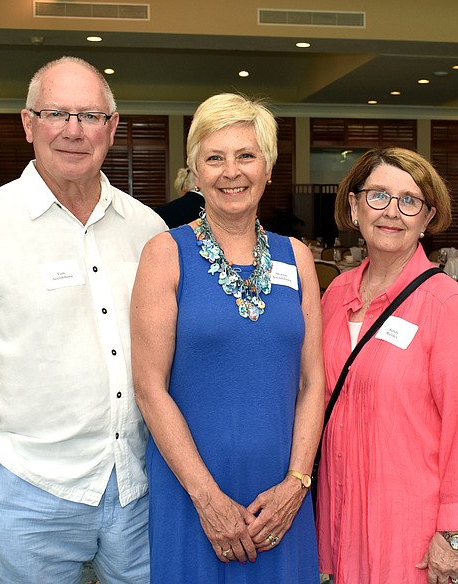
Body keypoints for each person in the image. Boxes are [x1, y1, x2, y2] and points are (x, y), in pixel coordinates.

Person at [0, 56, 167, 583]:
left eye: (90, 116)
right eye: (57, 113)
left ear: (112, 127)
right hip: (27, 493)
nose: (74, 131)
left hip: (138, 489)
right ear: (28, 123)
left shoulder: (146, 227)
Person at [130, 93, 323, 583]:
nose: (230, 171)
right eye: (214, 158)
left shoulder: (297, 257)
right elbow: (149, 388)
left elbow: (312, 382)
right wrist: (207, 497)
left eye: (246, 155)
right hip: (192, 492)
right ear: (195, 173)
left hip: (281, 497)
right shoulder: (164, 253)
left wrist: (297, 484)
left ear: (268, 168)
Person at [317, 147, 458, 584]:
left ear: (427, 218)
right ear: (354, 205)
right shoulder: (334, 294)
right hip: (346, 514)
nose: (392, 212)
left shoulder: (446, 305)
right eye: (378, 195)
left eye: (410, 201)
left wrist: (455, 537)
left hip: (416, 532)